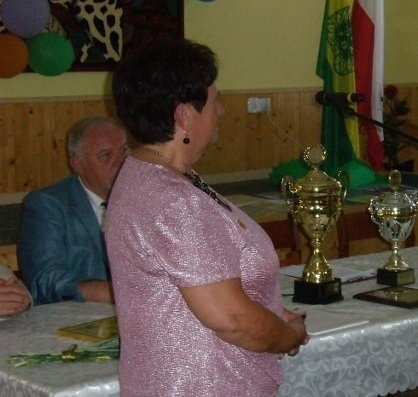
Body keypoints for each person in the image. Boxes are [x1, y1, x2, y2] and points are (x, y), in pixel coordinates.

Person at [106, 37, 308, 396]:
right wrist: (286, 334)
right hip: (203, 386)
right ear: (185, 115)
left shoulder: (150, 174)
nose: (221, 111)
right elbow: (231, 319)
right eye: (215, 101)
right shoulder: (172, 199)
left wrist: (272, 311)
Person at [17, 116, 128, 305]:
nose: (122, 162)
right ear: (78, 164)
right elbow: (44, 282)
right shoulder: (47, 205)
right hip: (77, 320)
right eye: (106, 155)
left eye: (124, 151)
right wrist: (110, 292)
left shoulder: (146, 199)